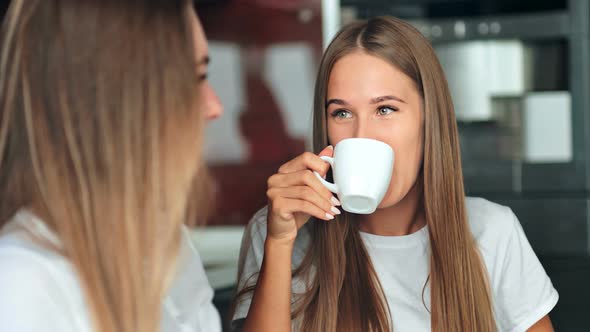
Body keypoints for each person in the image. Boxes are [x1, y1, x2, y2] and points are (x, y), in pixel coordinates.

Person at [232, 16, 558, 332]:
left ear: (428, 119)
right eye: (341, 112)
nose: (362, 135)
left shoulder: (492, 232)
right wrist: (279, 242)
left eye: (385, 109)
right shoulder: (276, 230)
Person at [0, 0, 223, 331]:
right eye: (195, 77)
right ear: (118, 99)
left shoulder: (168, 244)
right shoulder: (22, 285)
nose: (214, 106)